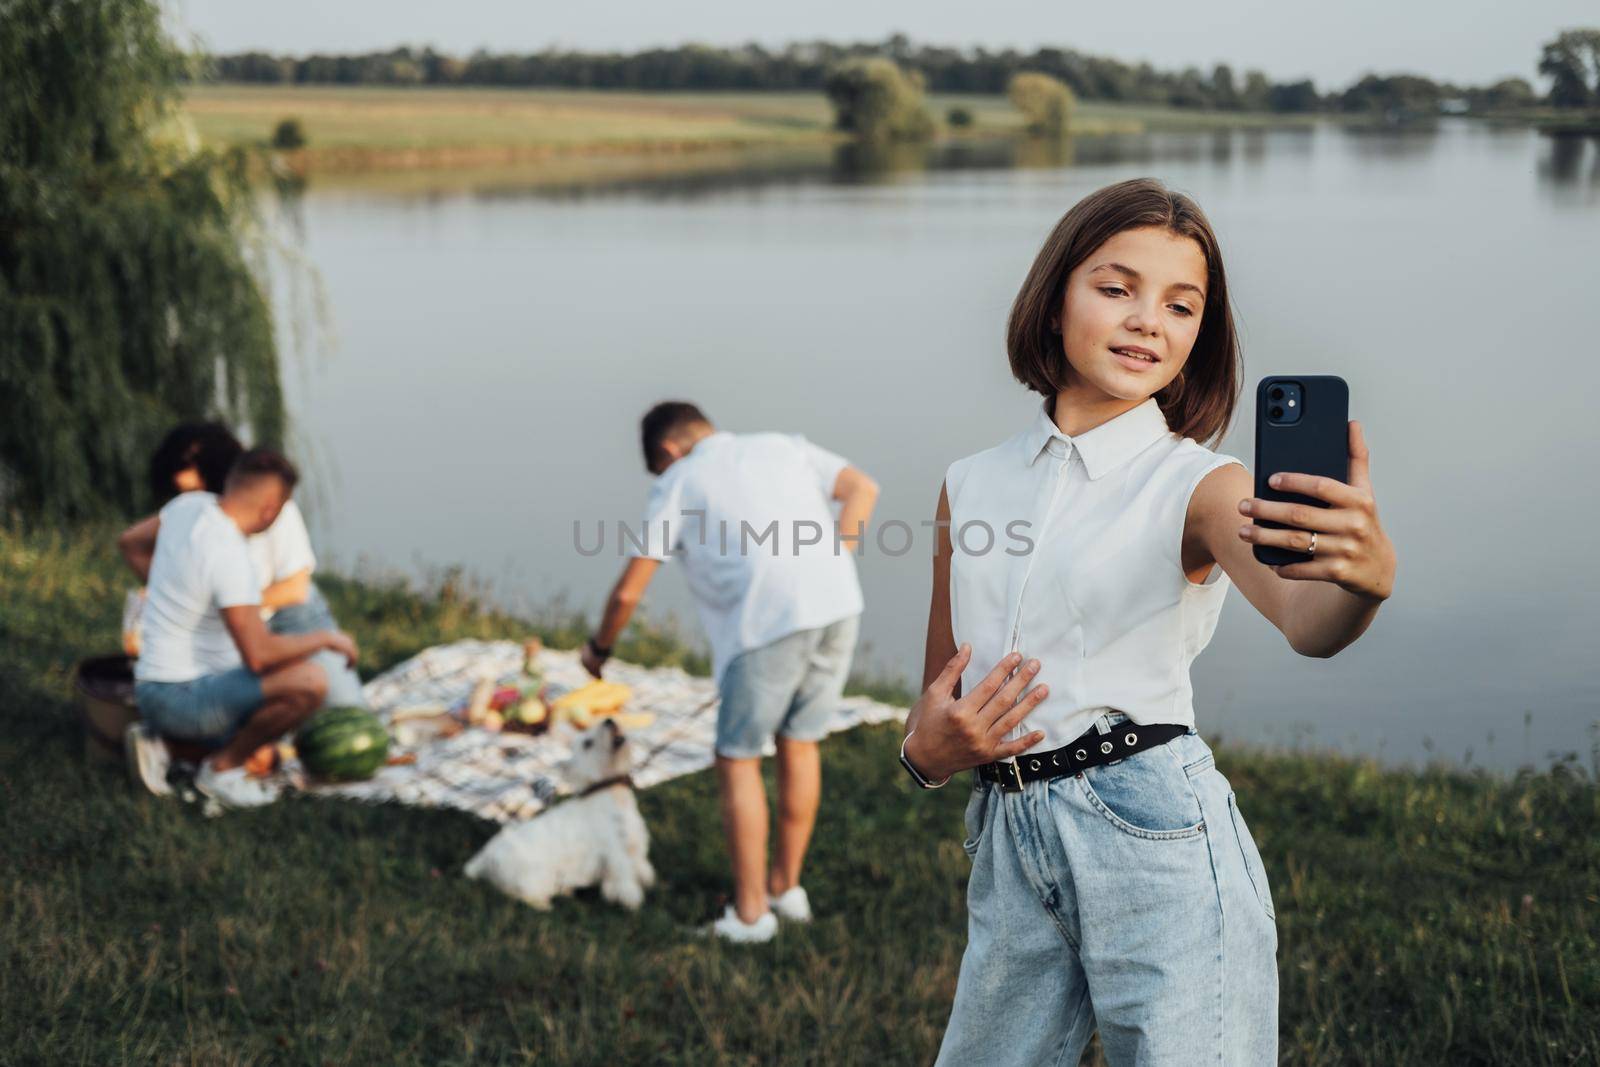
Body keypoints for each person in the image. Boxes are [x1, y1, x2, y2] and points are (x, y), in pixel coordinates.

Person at [897, 178, 1397, 1064]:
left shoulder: (1202, 485)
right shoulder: (968, 482)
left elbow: (1305, 619)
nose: (1147, 322)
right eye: (1116, 288)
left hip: (1150, 829)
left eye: (1180, 304)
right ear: (1055, 300)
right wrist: (925, 757)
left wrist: (1363, 582)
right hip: (1009, 836)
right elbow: (940, 701)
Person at [583, 401, 879, 943]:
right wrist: (836, 557)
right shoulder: (783, 445)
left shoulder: (681, 479)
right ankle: (786, 890)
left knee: (737, 758)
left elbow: (629, 590)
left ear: (668, 452)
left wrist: (598, 648)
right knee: (800, 742)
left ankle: (750, 916)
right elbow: (863, 488)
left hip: (767, 625)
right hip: (838, 606)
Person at [127, 449, 359, 809]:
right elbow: (258, 655)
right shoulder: (230, 556)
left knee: (274, 714)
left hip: (152, 684)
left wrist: (168, 591)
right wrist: (327, 637)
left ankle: (175, 747)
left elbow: (130, 543)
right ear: (271, 510)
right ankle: (220, 770)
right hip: (182, 697)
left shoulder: (189, 507)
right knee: (310, 682)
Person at [120, 423, 366, 711]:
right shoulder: (193, 509)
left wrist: (230, 606)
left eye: (192, 486)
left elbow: (296, 587)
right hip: (232, 623)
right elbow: (131, 543)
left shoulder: (272, 509)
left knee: (344, 708)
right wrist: (177, 591)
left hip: (288, 614)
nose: (187, 495)